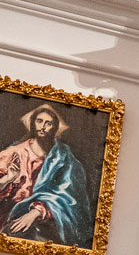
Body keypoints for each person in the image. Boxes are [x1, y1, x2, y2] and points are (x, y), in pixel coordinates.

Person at [0, 103, 93, 246]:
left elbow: (68, 196)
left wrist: (36, 212)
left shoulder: (63, 158)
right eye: (39, 121)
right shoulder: (13, 153)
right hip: (10, 217)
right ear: (32, 124)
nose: (43, 126)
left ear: (54, 128)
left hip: (48, 221)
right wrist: (7, 179)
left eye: (48, 123)